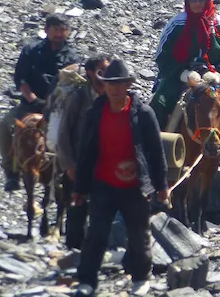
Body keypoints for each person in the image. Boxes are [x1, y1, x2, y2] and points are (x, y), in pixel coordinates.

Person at [73, 59, 168, 297]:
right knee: (96, 233)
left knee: (139, 233)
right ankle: (87, 281)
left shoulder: (143, 113)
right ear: (103, 85)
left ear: (128, 85)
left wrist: (161, 186)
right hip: (102, 184)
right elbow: (86, 152)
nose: (114, 89)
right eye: (110, 84)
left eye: (120, 84)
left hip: (134, 186)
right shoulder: (95, 112)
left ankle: (141, 277)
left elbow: (156, 151)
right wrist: (79, 188)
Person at [150, 0, 220, 178]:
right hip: (179, 77)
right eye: (193, 0)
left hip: (213, 80)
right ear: (187, 1)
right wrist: (182, 73)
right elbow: (162, 57)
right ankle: (156, 157)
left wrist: (219, 74)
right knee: (156, 106)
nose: (196, 3)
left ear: (208, 0)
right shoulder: (176, 25)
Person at [0, 14, 80, 192]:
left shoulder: (72, 57)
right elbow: (21, 79)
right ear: (46, 30)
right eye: (55, 30)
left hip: (58, 107)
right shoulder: (31, 51)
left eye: (62, 30)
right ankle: (11, 173)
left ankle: (72, 175)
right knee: (5, 127)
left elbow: (73, 84)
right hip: (30, 104)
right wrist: (33, 99)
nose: (59, 34)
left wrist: (52, 103)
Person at [55, 54, 110, 249]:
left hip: (104, 167)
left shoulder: (113, 97)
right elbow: (63, 134)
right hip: (78, 165)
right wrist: (69, 166)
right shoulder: (78, 98)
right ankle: (73, 252)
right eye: (101, 71)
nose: (106, 77)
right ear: (90, 73)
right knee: (77, 212)